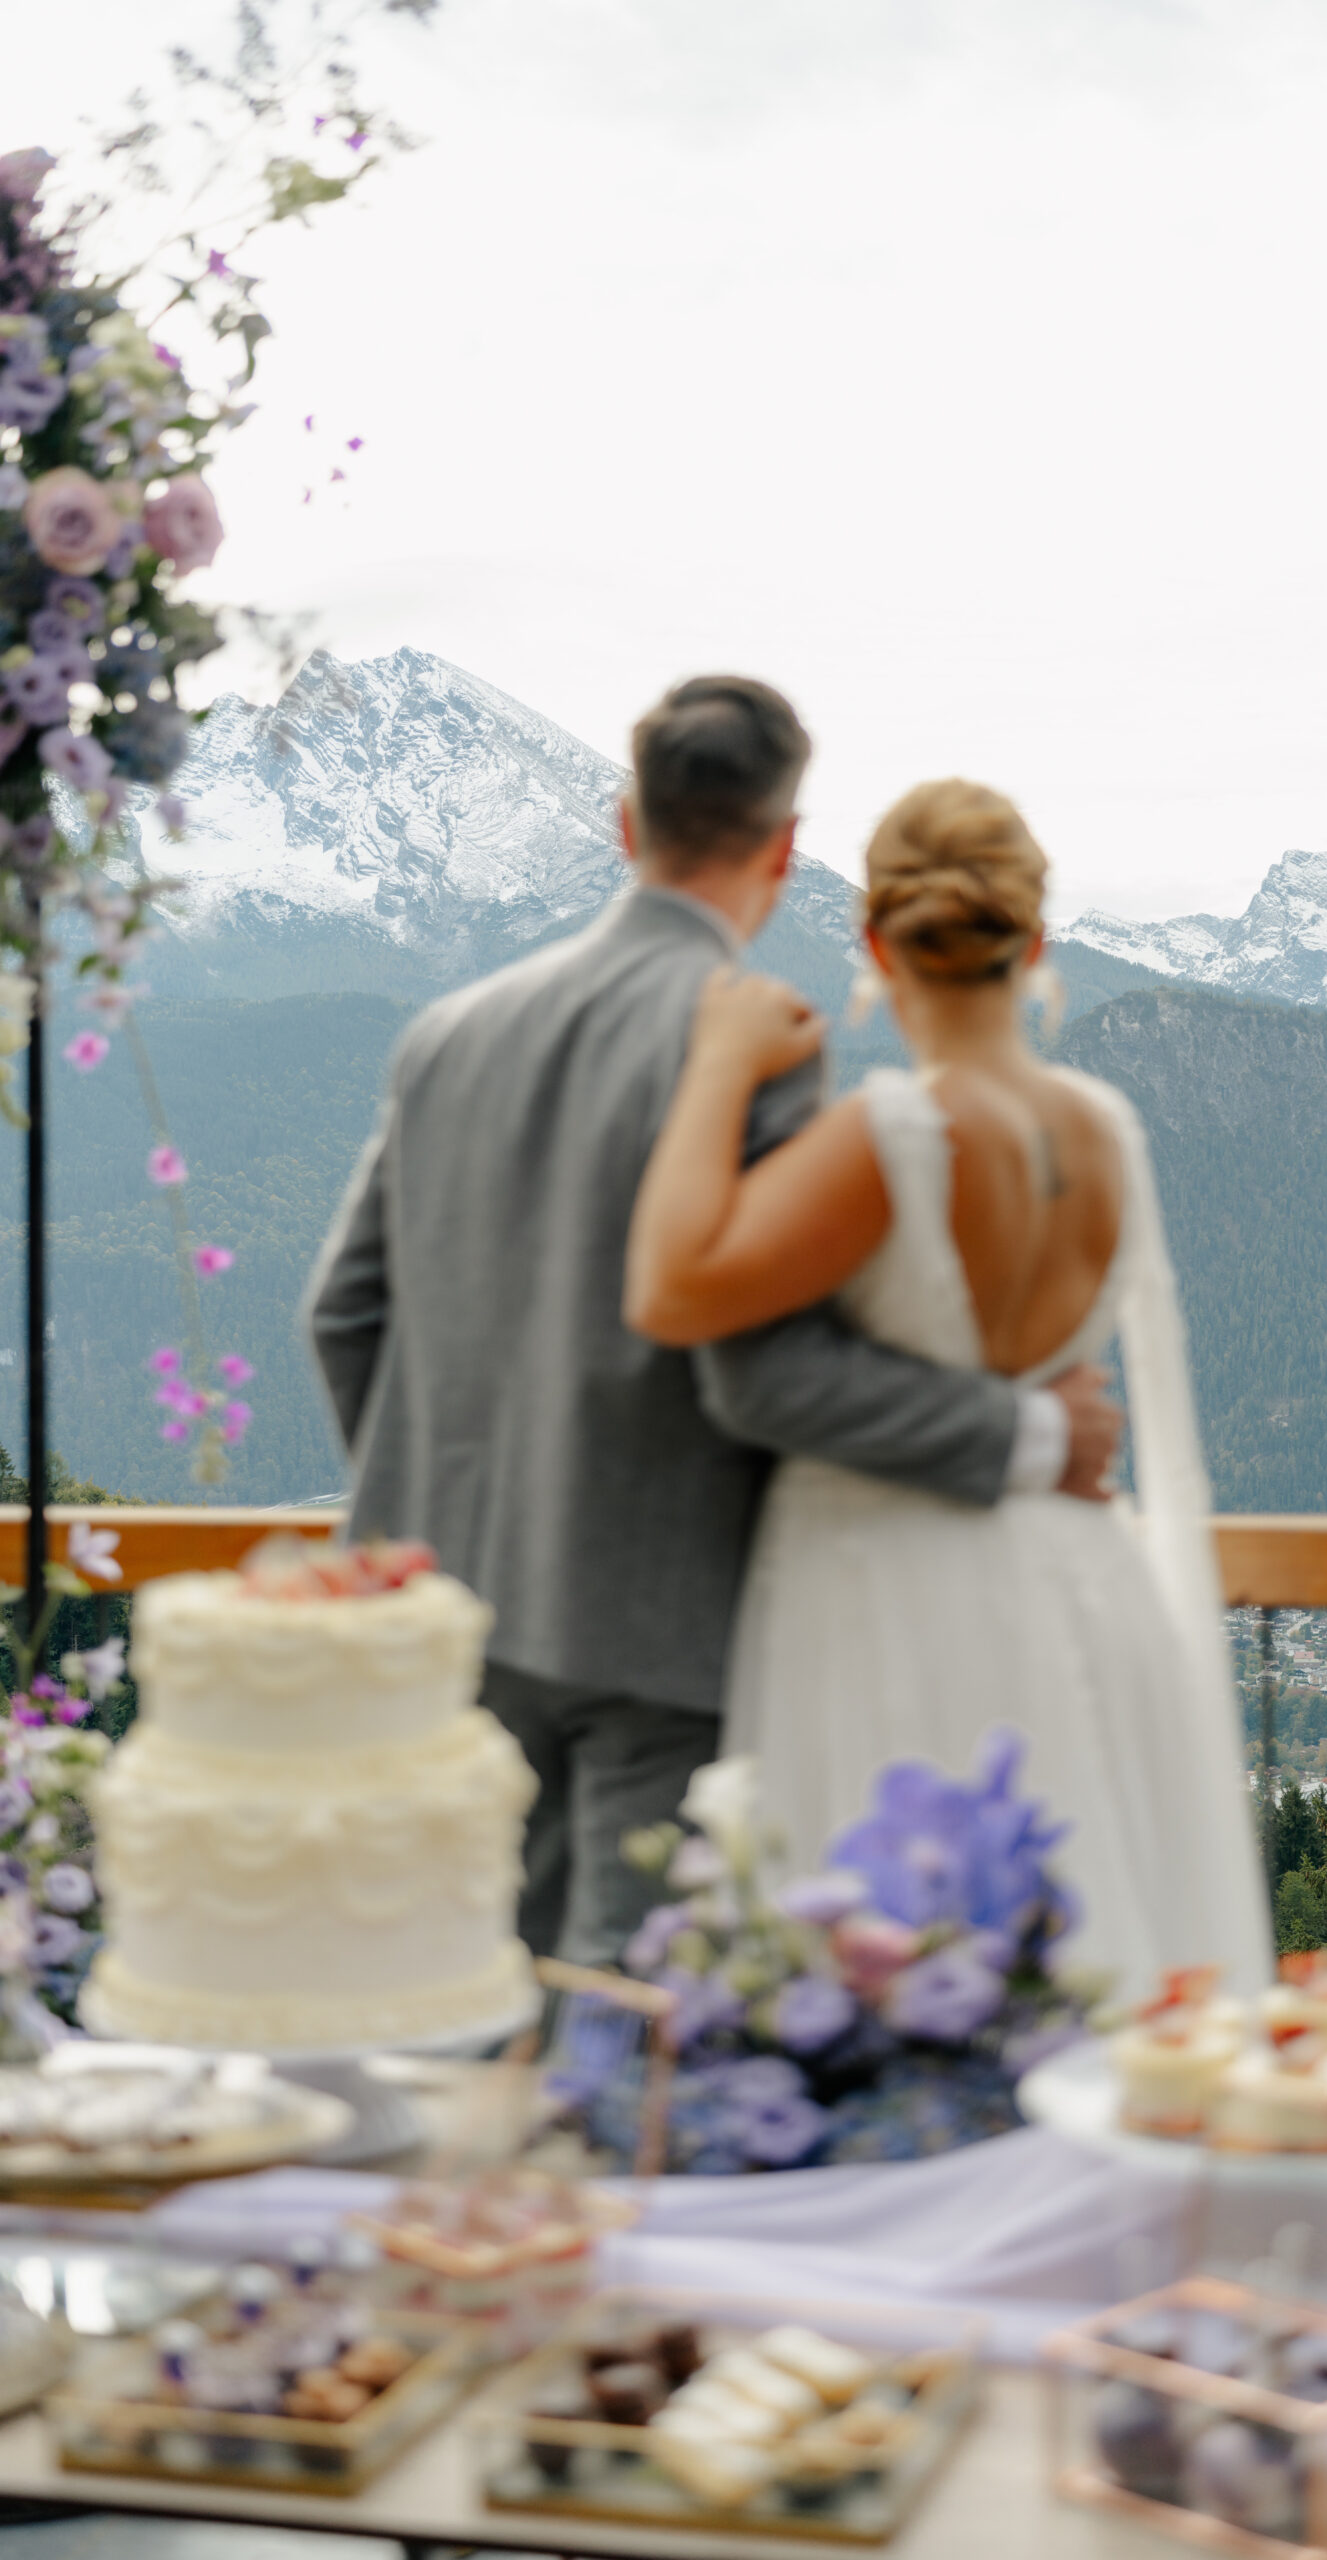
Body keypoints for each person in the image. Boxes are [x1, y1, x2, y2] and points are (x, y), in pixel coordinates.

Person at [303, 682, 1121, 1967]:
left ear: (627, 822)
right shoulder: (761, 1042)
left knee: (461, 2001)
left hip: (450, 1611)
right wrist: (1022, 1430)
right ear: (788, 847)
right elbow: (764, 1370)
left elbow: (344, 1312)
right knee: (624, 2036)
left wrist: (440, 1511)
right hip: (662, 1618)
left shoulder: (446, 1033)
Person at [625, 776, 1271, 1998]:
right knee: (1089, 1962)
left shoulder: (894, 1133)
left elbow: (672, 1285)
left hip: (893, 1588)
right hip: (1088, 1575)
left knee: (885, 1965)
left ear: (874, 940)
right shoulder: (1105, 1124)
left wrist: (717, 1066)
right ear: (1036, 942)